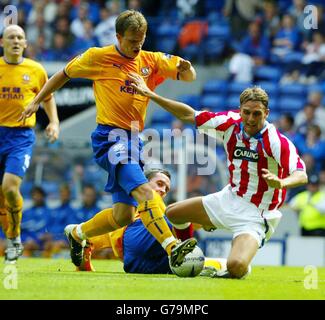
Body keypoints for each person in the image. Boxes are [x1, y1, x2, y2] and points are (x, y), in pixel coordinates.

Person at [20, 10, 197, 269]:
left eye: (141, 40)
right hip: (111, 137)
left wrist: (188, 68)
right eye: (131, 41)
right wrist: (37, 100)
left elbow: (189, 76)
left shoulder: (152, 60)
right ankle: (172, 247)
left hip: (135, 139)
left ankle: (78, 234)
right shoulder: (98, 57)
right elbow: (62, 74)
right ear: (117, 36)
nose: (137, 46)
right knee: (145, 191)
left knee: (123, 216)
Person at [129, 75, 308, 279]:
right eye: (247, 113)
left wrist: (281, 182)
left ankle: (238, 257)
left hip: (256, 215)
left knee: (236, 267)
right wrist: (150, 95)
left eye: (257, 114)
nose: (250, 119)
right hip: (229, 199)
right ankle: (188, 255)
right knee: (173, 213)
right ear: (240, 110)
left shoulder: (276, 141)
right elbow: (189, 115)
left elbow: (301, 175)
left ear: (266, 113)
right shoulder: (229, 123)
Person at [79, 168, 225, 275]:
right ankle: (206, 221)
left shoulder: (126, 214)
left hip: (141, 265)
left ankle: (218, 266)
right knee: (176, 216)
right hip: (136, 239)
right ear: (144, 183)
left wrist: (84, 265)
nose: (162, 190)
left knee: (196, 264)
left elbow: (89, 241)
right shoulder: (135, 207)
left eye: (166, 189)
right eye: (160, 183)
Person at [0, 25, 59, 264]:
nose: (16, 40)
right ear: (3, 42)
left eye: (20, 37)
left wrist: (54, 122)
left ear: (25, 44)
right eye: (11, 37)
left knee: (10, 188)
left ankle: (14, 239)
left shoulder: (35, 70)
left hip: (20, 137)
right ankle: (11, 237)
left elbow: (48, 97)